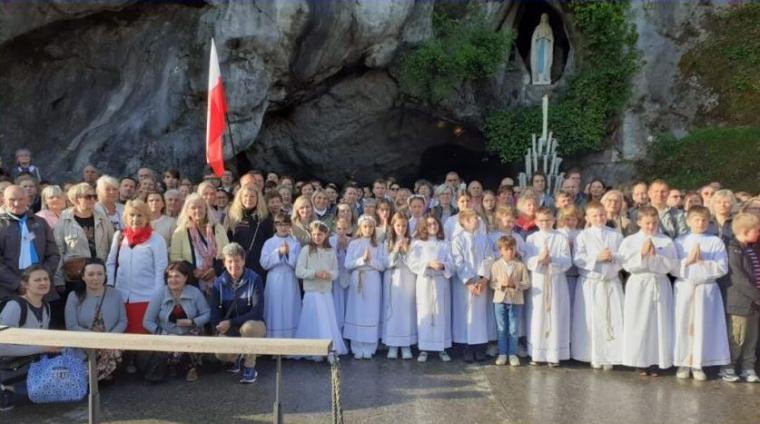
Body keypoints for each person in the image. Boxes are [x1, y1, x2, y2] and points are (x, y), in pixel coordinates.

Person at [671, 206, 730, 381]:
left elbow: (722, 267)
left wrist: (704, 261)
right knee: (682, 325)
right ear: (688, 221)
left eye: (704, 220)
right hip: (685, 288)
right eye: (696, 220)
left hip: (706, 289)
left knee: (703, 326)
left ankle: (698, 363)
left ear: (709, 222)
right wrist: (687, 261)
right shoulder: (679, 241)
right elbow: (671, 266)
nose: (700, 223)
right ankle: (683, 362)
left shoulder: (715, 242)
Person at [619, 206, 678, 376]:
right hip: (639, 283)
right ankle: (640, 360)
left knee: (659, 322)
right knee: (639, 322)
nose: (651, 226)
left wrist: (656, 257)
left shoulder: (666, 241)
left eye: (654, 223)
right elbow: (625, 263)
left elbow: (672, 264)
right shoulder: (630, 241)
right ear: (639, 222)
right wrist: (642, 255)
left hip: (659, 282)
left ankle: (657, 360)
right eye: (647, 223)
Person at [571, 202, 625, 370]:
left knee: (611, 319)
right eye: (594, 215)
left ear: (606, 215)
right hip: (591, 284)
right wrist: (597, 258)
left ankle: (611, 356)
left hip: (610, 282)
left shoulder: (616, 235)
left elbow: (624, 256)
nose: (599, 218)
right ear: (587, 217)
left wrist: (613, 257)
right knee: (592, 320)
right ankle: (594, 355)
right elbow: (578, 258)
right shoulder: (583, 236)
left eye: (602, 214)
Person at [0, 266, 60, 411]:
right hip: (8, 362)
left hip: (29, 358)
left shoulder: (46, 306)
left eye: (45, 279)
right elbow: (2, 347)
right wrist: (42, 348)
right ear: (25, 284)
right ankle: (7, 388)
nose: (43, 283)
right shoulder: (15, 306)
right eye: (37, 280)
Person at [54, 183, 114, 324]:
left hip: (99, 274)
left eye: (94, 196)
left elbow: (111, 244)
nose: (92, 200)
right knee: (76, 314)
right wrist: (58, 279)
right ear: (76, 199)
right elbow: (58, 250)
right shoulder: (65, 219)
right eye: (88, 197)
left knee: (99, 314)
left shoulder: (102, 217)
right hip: (76, 276)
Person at [108, 200, 168, 335]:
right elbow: (111, 263)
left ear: (147, 218)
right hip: (120, 297)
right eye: (132, 215)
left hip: (146, 298)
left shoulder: (157, 239)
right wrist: (110, 287)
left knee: (142, 338)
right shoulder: (119, 236)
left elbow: (161, 270)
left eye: (140, 215)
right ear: (126, 217)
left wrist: (157, 298)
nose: (135, 219)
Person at [143, 261, 210, 382]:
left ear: (186, 277)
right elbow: (147, 321)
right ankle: (173, 366)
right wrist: (164, 334)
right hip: (167, 335)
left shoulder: (195, 292)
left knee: (194, 338)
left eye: (177, 276)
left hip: (189, 333)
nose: (173, 280)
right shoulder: (160, 294)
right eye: (170, 277)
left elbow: (207, 314)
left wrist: (193, 322)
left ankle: (191, 368)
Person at [210, 243, 266, 384]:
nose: (233, 265)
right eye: (230, 261)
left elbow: (257, 312)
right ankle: (236, 357)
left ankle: (249, 366)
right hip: (231, 329)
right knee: (221, 353)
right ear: (224, 263)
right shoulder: (218, 284)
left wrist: (231, 322)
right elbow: (215, 315)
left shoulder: (255, 279)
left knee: (249, 328)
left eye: (237, 260)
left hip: (253, 325)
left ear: (243, 261)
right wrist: (219, 327)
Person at [65, 258, 126, 381]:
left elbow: (123, 320)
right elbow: (71, 326)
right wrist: (95, 338)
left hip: (109, 342)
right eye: (91, 274)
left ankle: (96, 377)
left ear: (105, 276)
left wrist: (109, 338)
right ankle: (93, 377)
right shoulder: (74, 296)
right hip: (85, 342)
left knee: (113, 350)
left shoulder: (116, 294)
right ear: (83, 277)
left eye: (100, 274)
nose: (96, 278)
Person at [525, 207, 572, 366]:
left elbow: (567, 261)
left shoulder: (561, 237)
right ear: (536, 221)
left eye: (547, 220)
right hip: (538, 281)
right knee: (538, 314)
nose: (544, 223)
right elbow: (526, 259)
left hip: (556, 281)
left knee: (555, 314)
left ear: (553, 220)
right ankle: (537, 353)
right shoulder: (531, 238)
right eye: (541, 220)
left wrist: (552, 260)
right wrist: (539, 259)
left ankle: (554, 354)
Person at [294, 221, 348, 361]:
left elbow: (336, 272)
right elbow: (299, 271)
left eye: (320, 234)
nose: (317, 237)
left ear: (325, 235)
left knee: (326, 321)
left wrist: (329, 274)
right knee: (314, 321)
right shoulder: (306, 250)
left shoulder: (330, 251)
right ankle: (313, 350)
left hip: (326, 292)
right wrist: (314, 274)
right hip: (312, 292)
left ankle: (329, 350)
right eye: (314, 234)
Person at [0, 185, 60, 301]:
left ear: (27, 199)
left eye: (21, 199)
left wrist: (41, 278)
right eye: (12, 200)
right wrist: (17, 283)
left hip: (42, 291)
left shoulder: (40, 223)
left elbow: (53, 254)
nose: (17, 204)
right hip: (9, 292)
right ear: (3, 199)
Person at [720, 212, 760, 383]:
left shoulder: (750, 249)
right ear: (745, 231)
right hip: (740, 302)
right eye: (757, 231)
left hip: (754, 302)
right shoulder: (733, 250)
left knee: (752, 337)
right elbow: (738, 279)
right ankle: (728, 366)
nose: (759, 234)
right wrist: (757, 296)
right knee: (737, 336)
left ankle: (748, 367)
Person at [407, 214, 453, 362]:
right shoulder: (418, 243)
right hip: (425, 281)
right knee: (425, 312)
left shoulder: (445, 243)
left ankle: (442, 347)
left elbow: (452, 263)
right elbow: (412, 262)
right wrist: (427, 264)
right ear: (424, 227)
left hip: (440, 282)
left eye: (435, 223)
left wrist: (443, 265)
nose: (433, 226)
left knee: (441, 313)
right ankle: (424, 348)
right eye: (429, 224)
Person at [451, 208, 494, 362]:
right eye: (475, 217)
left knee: (479, 315)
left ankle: (479, 347)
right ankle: (466, 348)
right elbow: (458, 261)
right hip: (464, 284)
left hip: (480, 283)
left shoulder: (483, 238)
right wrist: (469, 282)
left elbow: (489, 258)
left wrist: (483, 279)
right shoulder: (458, 239)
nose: (478, 220)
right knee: (465, 314)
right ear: (465, 221)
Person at [344, 215, 387, 359]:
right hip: (357, 278)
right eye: (365, 226)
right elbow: (347, 264)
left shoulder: (379, 245)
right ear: (360, 228)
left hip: (373, 280)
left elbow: (383, 266)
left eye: (371, 227)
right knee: (357, 312)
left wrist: (370, 260)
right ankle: (357, 346)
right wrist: (362, 260)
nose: (368, 229)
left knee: (371, 312)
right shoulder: (353, 244)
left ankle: (370, 347)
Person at [170, 193, 228, 293]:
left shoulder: (218, 228)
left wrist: (215, 269)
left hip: (217, 281)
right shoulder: (180, 232)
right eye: (193, 208)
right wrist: (193, 270)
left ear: (206, 209)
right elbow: (175, 257)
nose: (197, 210)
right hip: (191, 283)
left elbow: (227, 252)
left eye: (200, 207)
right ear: (187, 211)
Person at [259, 213, 301, 338]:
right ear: (275, 226)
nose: (283, 227)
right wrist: (278, 253)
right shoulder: (269, 243)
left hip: (290, 279)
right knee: (275, 309)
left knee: (290, 308)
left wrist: (288, 254)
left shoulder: (295, 243)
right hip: (274, 279)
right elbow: (264, 263)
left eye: (286, 224)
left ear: (290, 226)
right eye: (279, 224)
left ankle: (291, 339)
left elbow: (299, 265)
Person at [382, 212, 417, 360]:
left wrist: (406, 250)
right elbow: (385, 263)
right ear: (393, 226)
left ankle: (406, 345)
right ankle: (392, 345)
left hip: (408, 278)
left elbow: (415, 263)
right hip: (393, 278)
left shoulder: (413, 242)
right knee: (393, 311)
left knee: (406, 311)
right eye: (398, 225)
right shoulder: (388, 242)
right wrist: (396, 249)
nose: (401, 228)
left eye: (403, 226)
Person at [490, 235, 530, 366]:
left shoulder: (520, 265)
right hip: (500, 300)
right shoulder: (496, 265)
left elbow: (527, 283)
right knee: (501, 328)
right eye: (506, 249)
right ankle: (502, 353)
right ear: (500, 251)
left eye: (512, 249)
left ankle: (512, 354)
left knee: (513, 328)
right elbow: (492, 283)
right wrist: (501, 284)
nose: (509, 252)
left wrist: (515, 284)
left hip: (515, 301)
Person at [228, 184, 272, 280]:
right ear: (240, 198)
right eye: (245, 196)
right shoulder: (233, 218)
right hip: (237, 265)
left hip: (259, 265)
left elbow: (269, 243)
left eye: (252, 196)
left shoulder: (265, 219)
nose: (249, 199)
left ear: (258, 199)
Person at [556, 205, 582, 315]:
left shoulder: (581, 233)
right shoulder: (558, 233)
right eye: (567, 219)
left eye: (573, 219)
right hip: (562, 274)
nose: (571, 222)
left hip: (576, 274)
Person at [329, 217, 352, 332]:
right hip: (336, 279)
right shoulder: (330, 241)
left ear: (348, 229)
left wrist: (346, 248)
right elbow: (329, 259)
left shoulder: (352, 241)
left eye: (344, 228)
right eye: (339, 228)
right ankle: (337, 331)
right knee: (337, 305)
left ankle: (347, 332)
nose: (342, 231)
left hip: (348, 277)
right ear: (335, 228)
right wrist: (338, 248)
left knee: (348, 305)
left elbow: (353, 259)